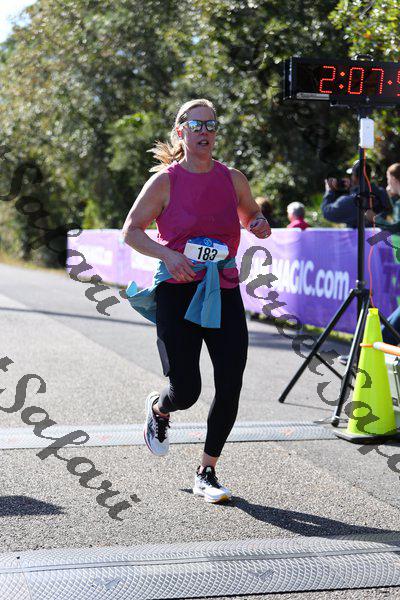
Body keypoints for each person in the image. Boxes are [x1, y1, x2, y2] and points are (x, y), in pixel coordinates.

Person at [122, 98, 270, 504]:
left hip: (222, 288)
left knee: (231, 381)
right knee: (186, 390)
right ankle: (160, 408)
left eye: (211, 125)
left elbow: (250, 214)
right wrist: (168, 255)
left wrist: (258, 223)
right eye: (196, 125)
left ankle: (207, 471)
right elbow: (131, 231)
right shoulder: (165, 182)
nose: (205, 132)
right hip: (178, 286)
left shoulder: (232, 178)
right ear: (181, 131)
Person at [322, 160, 391, 228]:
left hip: (360, 235)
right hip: (381, 234)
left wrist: (329, 191)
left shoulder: (351, 200)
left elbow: (327, 212)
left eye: (352, 175)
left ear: (355, 176)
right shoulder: (382, 193)